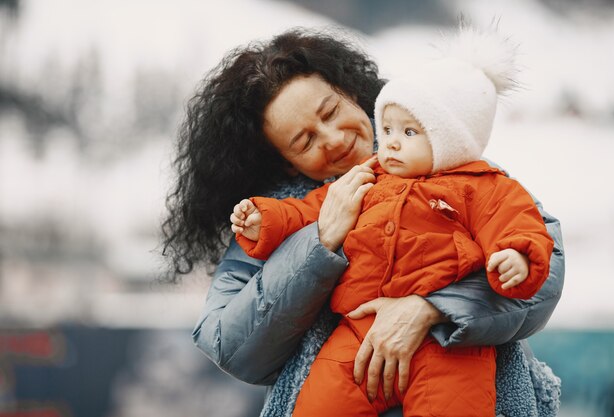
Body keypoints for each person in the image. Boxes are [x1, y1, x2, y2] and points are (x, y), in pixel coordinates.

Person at [161, 26, 564, 417]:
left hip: (461, 378)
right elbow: (229, 345)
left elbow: (543, 268)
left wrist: (430, 309)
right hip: (339, 383)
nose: (333, 138)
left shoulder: (455, 164)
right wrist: (319, 242)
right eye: (305, 141)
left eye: (331, 111)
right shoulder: (274, 212)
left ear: (351, 91)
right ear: (287, 164)